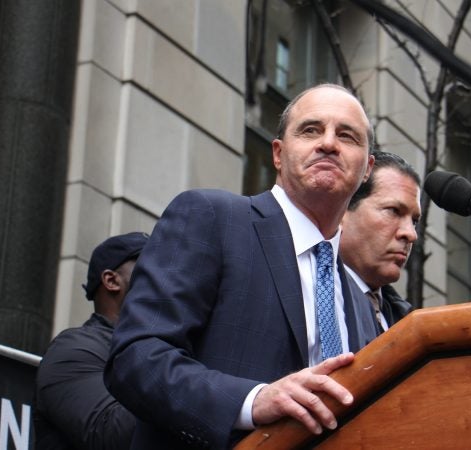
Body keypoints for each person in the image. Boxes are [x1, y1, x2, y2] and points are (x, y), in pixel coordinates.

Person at [105, 84, 380, 449]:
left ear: (367, 170)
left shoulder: (360, 303)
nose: (329, 143)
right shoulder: (211, 219)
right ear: (278, 154)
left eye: (347, 136)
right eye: (311, 130)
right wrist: (252, 401)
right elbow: (137, 358)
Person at [34, 231, 149, 450]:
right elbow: (113, 435)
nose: (165, 277)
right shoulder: (73, 350)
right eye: (150, 265)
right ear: (111, 280)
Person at [340, 151, 420, 332]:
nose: (411, 234)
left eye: (414, 221)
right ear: (340, 212)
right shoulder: (304, 297)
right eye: (393, 211)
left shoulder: (403, 321)